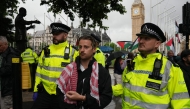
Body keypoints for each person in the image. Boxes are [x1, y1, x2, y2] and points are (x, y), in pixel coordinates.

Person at [112, 23, 190, 109]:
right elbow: (123, 87)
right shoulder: (132, 63)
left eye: (147, 38)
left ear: (157, 44)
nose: (141, 41)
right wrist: (106, 89)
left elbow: (181, 102)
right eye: (141, 37)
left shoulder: (170, 68)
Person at [56, 36, 112, 109]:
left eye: (86, 47)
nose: (82, 50)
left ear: (94, 49)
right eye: (80, 47)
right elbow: (59, 92)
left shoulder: (102, 72)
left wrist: (83, 98)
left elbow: (106, 97)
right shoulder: (68, 69)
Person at [31, 22, 78, 109]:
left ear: (65, 35)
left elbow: (76, 76)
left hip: (63, 94)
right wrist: (35, 90)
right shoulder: (46, 50)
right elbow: (39, 72)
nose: (54, 36)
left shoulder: (73, 53)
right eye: (53, 34)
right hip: (45, 92)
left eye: (57, 34)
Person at [0, 36, 20, 109]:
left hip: (7, 90)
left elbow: (8, 69)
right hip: (3, 88)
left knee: (6, 106)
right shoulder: (2, 54)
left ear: (5, 44)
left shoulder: (12, 55)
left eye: (0, 45)